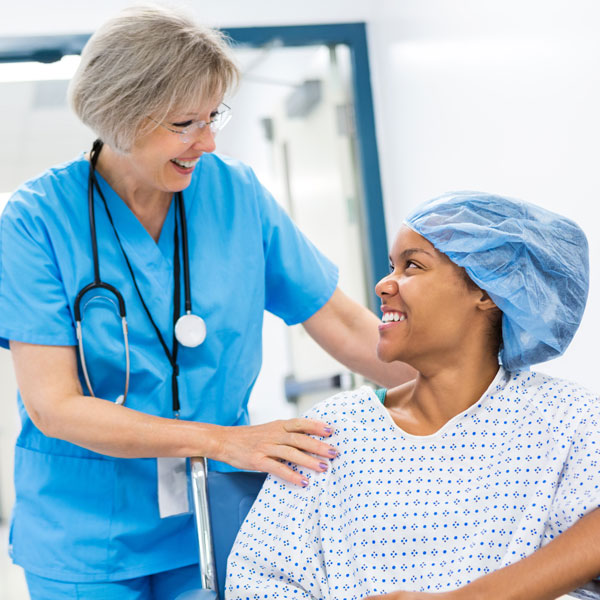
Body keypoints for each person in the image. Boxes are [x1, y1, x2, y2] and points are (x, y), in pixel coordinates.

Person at [0, 5, 414, 598]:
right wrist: (222, 441)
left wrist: (466, 381)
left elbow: (344, 326)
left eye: (213, 116)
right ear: (122, 117)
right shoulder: (38, 220)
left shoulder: (236, 195)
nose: (209, 142)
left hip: (216, 512)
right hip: (86, 532)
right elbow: (54, 405)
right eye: (185, 123)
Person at [226, 191, 600, 600]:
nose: (384, 284)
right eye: (391, 266)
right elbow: (257, 580)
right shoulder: (335, 429)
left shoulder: (565, 419)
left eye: (413, 266)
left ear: (488, 290)